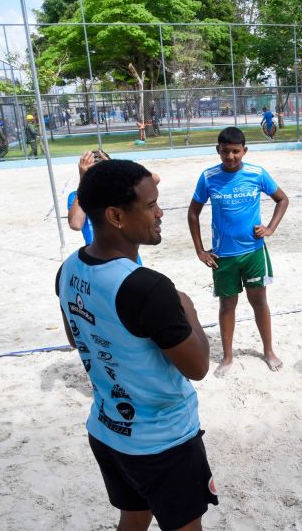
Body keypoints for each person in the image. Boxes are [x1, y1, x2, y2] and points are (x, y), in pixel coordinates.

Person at [56, 159, 217, 531]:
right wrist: (188, 308)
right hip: (161, 441)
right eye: (149, 206)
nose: (160, 213)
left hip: (107, 430)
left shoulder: (68, 269)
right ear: (115, 215)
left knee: (134, 516)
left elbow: (75, 338)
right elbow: (198, 366)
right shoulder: (147, 287)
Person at [187, 127, 289, 378]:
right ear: (217, 150)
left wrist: (270, 228)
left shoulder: (256, 173)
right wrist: (200, 251)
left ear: (244, 150)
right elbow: (193, 213)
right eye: (225, 152)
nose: (230, 156)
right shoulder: (209, 177)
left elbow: (282, 199)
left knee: (259, 302)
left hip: (253, 253)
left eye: (235, 151)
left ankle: (268, 350)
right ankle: (228, 355)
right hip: (223, 256)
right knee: (227, 305)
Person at [68, 151, 152, 266]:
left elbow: (154, 180)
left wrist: (115, 168)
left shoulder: (120, 191)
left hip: (127, 257)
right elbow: (76, 224)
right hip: (99, 259)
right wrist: (83, 182)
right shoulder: (76, 196)